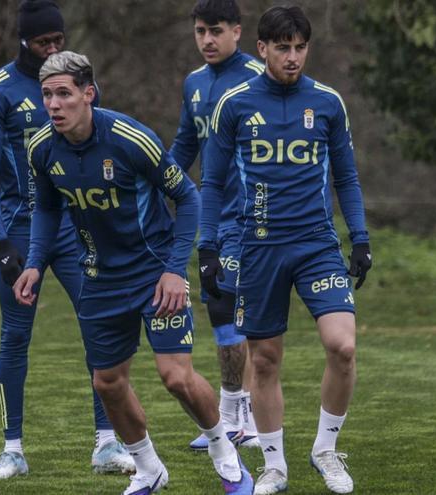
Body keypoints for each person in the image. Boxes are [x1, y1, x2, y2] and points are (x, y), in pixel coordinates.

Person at [13, 51, 254, 495]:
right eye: (46, 95)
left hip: (154, 274)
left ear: (89, 93)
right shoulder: (41, 148)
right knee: (106, 382)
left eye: (63, 94)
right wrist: (33, 263)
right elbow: (46, 209)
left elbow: (189, 198)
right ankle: (148, 469)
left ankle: (226, 454)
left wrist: (174, 270)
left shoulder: (130, 139)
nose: (53, 105)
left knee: (176, 376)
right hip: (99, 279)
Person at [199, 5, 373, 494]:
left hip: (316, 244)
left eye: (299, 47)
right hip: (258, 247)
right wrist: (207, 246)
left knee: (343, 346)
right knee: (265, 360)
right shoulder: (234, 104)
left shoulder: (327, 102)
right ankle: (274, 466)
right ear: (262, 49)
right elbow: (211, 182)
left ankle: (325, 450)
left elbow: (346, 177)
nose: (292, 57)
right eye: (282, 48)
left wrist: (360, 237)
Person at [0, 0, 133, 479]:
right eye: (43, 42)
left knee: (98, 327)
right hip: (22, 230)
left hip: (76, 228)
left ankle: (106, 442)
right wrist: (0, 243)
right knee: (15, 335)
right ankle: (12, 450)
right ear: (23, 40)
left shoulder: (78, 86)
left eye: (58, 40)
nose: (52, 49)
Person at [170, 0, 264, 452]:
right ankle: (232, 415)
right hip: (214, 215)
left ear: (237, 31)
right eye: (200, 31)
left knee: (241, 312)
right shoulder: (194, 83)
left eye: (216, 30)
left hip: (253, 215)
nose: (207, 39)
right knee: (221, 311)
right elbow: (185, 145)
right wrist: (155, 184)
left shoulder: (259, 78)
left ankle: (249, 416)